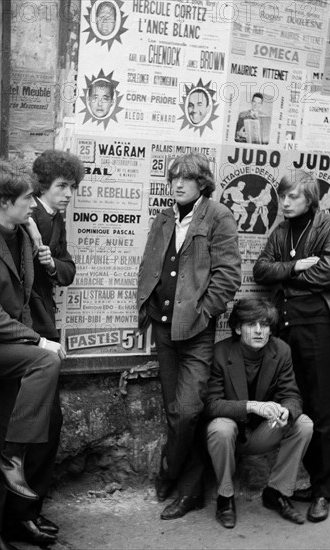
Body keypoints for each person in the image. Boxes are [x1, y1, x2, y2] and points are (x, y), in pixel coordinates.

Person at [137, 152, 241, 520]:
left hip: (196, 332)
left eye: (186, 179)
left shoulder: (218, 216)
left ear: (202, 183)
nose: (177, 185)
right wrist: (147, 304)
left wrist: (205, 312)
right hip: (164, 329)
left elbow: (228, 276)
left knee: (188, 411)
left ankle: (169, 469)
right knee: (173, 409)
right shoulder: (164, 217)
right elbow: (150, 263)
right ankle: (191, 493)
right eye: (173, 179)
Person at [0, 159, 64, 550]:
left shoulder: (24, 232)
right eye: (28, 198)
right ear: (3, 200)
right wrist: (37, 341)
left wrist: (35, 236)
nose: (34, 204)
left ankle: (18, 519)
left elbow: (27, 295)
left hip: (14, 347)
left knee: (39, 426)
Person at [1, 150, 85, 547]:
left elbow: (66, 270)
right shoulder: (24, 217)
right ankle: (15, 517)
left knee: (46, 428)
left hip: (39, 326)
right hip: (22, 331)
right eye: (62, 186)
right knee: (32, 428)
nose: (69, 193)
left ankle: (26, 513)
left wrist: (51, 262)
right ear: (42, 185)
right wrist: (38, 337)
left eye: (72, 186)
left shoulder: (54, 221)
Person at [253, 169, 330, 522]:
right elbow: (260, 269)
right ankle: (312, 482)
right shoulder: (282, 230)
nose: (285, 203)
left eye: (292, 197)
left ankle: (325, 491)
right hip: (286, 326)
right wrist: (293, 267)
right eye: (283, 196)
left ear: (310, 200)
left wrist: (289, 276)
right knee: (296, 406)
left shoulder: (329, 225)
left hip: (318, 326)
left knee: (321, 411)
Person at [205, 297, 313, 529]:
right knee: (220, 428)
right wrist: (251, 405)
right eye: (251, 324)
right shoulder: (221, 353)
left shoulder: (281, 350)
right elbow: (211, 404)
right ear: (236, 327)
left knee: (303, 424)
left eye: (264, 325)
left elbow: (292, 396)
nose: (259, 331)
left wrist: (286, 411)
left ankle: (276, 493)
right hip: (230, 432)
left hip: (263, 432)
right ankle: (225, 497)